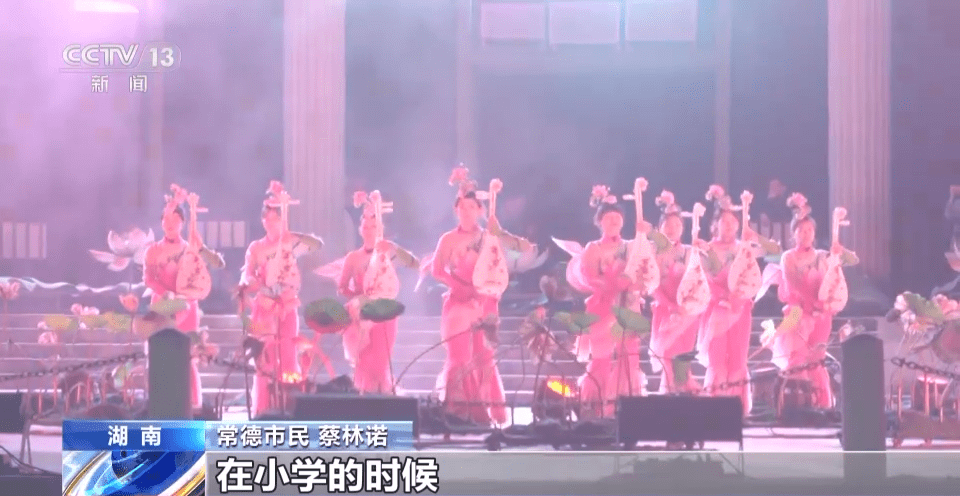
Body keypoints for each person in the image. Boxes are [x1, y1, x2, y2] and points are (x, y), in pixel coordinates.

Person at [428, 167, 534, 426]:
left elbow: (524, 250)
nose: (467, 212)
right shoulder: (447, 239)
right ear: (456, 210)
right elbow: (437, 270)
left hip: (485, 302)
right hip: (458, 301)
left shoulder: (490, 236)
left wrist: (501, 233)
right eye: (462, 207)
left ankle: (483, 411)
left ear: (479, 210)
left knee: (483, 357)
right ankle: (458, 410)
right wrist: (456, 284)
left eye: (472, 207)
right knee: (459, 357)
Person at [561, 185, 648, 417]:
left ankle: (626, 408)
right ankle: (595, 407)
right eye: (609, 218)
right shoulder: (594, 248)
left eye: (617, 218)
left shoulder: (632, 246)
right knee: (601, 358)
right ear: (600, 222)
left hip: (628, 306)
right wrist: (614, 284)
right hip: (602, 306)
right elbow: (591, 277)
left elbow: (643, 272)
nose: (614, 221)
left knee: (629, 357)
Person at [764, 193, 857, 408]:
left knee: (817, 359)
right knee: (796, 358)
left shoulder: (823, 256)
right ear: (793, 233)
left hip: (822, 315)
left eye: (809, 230)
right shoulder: (788, 257)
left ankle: (820, 404)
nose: (805, 234)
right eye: (801, 231)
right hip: (798, 313)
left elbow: (852, 260)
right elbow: (794, 283)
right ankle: (797, 403)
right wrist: (812, 304)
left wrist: (840, 250)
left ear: (814, 233)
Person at [239, 181, 323, 417]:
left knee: (287, 355)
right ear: (262, 221)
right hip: (265, 306)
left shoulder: (291, 243)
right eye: (267, 218)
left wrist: (290, 235)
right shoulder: (256, 247)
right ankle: (265, 408)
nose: (270, 222)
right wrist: (253, 284)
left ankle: (287, 407)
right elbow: (247, 274)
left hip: (287, 305)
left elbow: (314, 247)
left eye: (276, 218)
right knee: (265, 359)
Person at [696, 184, 781, 416]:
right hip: (717, 310)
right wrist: (725, 297)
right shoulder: (707, 249)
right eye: (724, 222)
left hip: (741, 309)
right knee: (717, 360)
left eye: (733, 222)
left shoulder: (745, 247)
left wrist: (754, 236)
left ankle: (736, 409)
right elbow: (704, 280)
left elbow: (775, 250)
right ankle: (715, 409)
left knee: (737, 359)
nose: (729, 226)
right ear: (715, 225)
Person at [142, 185, 225, 410]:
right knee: (160, 353)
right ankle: (161, 403)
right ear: (161, 223)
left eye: (175, 220)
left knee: (187, 356)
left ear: (183, 223)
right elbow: (148, 279)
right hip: (162, 306)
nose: (170, 224)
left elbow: (203, 273)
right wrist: (166, 294)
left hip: (187, 307)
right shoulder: (152, 250)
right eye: (166, 220)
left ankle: (191, 404)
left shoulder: (191, 248)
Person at [337, 192, 419, 394]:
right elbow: (342, 287)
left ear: (380, 228)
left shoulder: (387, 251)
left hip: (384, 315)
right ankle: (365, 401)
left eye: (373, 225)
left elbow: (414, 264)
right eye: (364, 225)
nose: (368, 228)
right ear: (360, 228)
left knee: (380, 362)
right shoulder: (353, 258)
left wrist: (393, 247)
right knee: (364, 364)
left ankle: (381, 400)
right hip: (362, 316)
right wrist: (358, 298)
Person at [648, 190, 701, 393]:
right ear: (660, 228)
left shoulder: (689, 251)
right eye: (668, 225)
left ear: (683, 229)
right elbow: (652, 283)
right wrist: (670, 306)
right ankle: (670, 394)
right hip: (664, 310)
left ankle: (684, 394)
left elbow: (697, 281)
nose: (672, 229)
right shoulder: (653, 251)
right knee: (669, 357)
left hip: (686, 311)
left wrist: (685, 306)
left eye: (677, 225)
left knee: (683, 357)